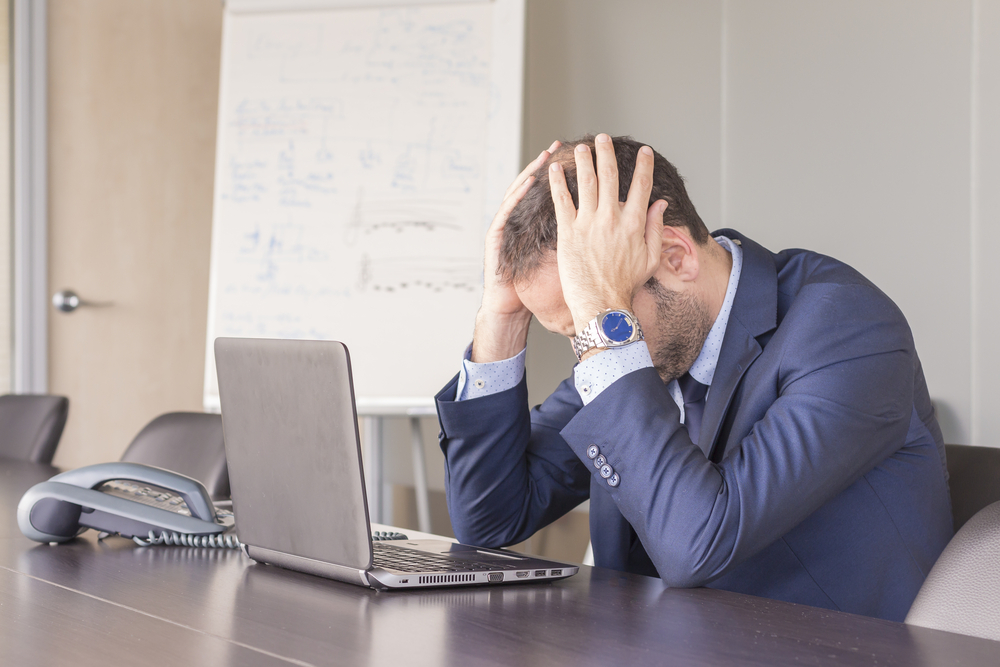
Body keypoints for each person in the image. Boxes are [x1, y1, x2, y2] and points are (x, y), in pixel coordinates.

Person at [434, 134, 952, 621]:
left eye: (593, 323)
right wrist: (499, 319)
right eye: (577, 333)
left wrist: (605, 325)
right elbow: (490, 520)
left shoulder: (847, 328)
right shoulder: (632, 341)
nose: (586, 349)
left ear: (675, 258)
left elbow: (697, 545)